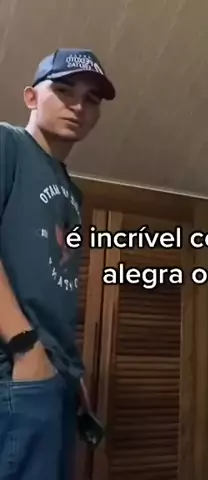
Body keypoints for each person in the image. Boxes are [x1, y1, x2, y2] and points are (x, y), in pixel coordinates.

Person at [0, 48, 115, 480]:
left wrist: (71, 370)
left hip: (56, 378)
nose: (79, 106)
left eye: (91, 99)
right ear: (31, 97)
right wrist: (24, 345)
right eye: (64, 91)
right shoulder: (7, 143)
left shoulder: (71, 192)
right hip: (15, 369)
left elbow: (54, 283)